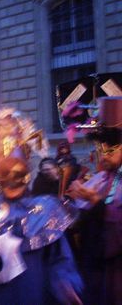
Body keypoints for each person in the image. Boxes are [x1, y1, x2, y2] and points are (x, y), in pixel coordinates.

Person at [0, 108, 82, 305]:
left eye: (18, 173)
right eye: (6, 173)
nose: (12, 180)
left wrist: (66, 285)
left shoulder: (46, 212)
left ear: (27, 174)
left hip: (34, 296)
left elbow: (60, 262)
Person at [66, 127, 122, 305]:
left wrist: (96, 201)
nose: (104, 156)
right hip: (96, 266)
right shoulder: (102, 177)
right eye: (101, 150)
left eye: (110, 150)